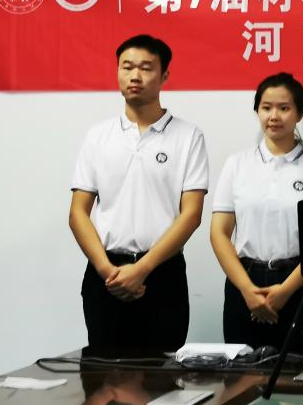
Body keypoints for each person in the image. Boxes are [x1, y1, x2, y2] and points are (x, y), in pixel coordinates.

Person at [69, 34, 209, 351]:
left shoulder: (188, 136)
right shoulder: (98, 136)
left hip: (162, 274)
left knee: (162, 375)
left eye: (146, 68)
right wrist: (108, 271)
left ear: (164, 76)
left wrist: (142, 269)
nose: (135, 76)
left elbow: (192, 215)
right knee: (102, 375)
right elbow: (78, 212)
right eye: (127, 67)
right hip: (106, 275)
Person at [209, 72, 303, 349]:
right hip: (244, 283)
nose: (274, 116)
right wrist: (247, 290)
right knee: (242, 370)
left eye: (284, 108)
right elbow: (219, 233)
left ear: (299, 113)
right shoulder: (237, 164)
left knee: (299, 369)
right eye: (266, 107)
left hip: (300, 283)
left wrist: (285, 291)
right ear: (257, 111)